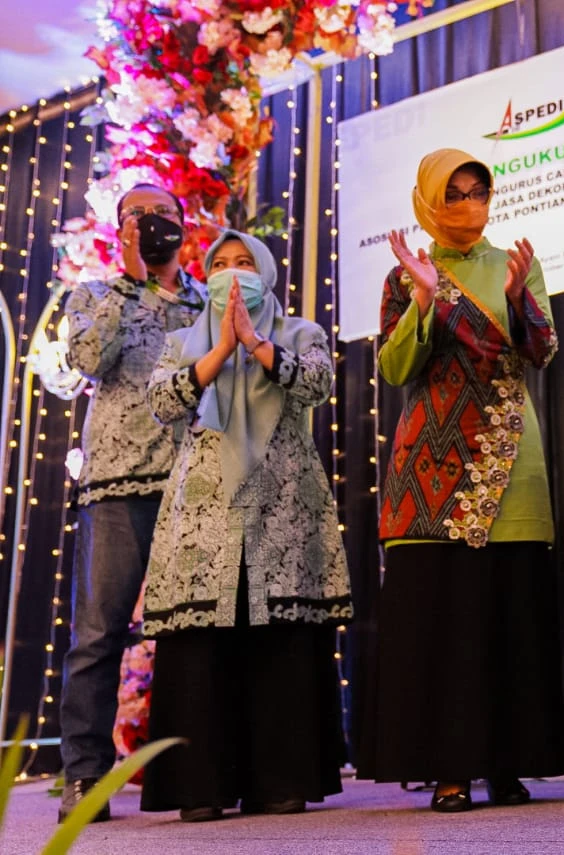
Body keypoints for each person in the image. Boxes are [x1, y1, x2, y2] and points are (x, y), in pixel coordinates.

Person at [357, 148, 564, 812]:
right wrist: (423, 297)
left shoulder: (515, 264)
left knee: (509, 612)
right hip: (429, 472)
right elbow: (393, 371)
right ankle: (449, 767)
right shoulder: (402, 276)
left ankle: (509, 765)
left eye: (480, 190)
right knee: (444, 624)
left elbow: (544, 352)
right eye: (456, 192)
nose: (471, 203)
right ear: (428, 200)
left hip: (511, 457)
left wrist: (516, 300)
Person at [139, 229, 352, 822]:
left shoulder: (299, 332)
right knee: (204, 639)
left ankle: (280, 781)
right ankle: (201, 786)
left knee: (277, 635)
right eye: (220, 265)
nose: (233, 275)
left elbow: (317, 385)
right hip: (203, 512)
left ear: (265, 271)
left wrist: (255, 343)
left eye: (244, 264)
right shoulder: (182, 340)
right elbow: (162, 403)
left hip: (281, 506)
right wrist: (216, 351)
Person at [59, 183, 205, 823]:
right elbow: (90, 359)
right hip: (117, 483)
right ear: (119, 229)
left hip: (196, 480)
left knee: (197, 633)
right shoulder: (92, 293)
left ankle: (195, 775)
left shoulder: (206, 299)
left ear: (183, 225)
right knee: (99, 634)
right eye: (136, 217)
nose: (151, 224)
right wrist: (130, 279)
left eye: (162, 215)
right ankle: (84, 779)